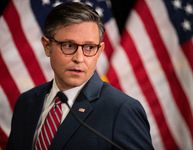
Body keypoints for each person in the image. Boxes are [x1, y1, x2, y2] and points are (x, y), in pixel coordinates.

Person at [6, 2, 154, 150]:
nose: (79, 58)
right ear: (47, 46)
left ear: (100, 51)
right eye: (69, 46)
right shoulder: (26, 103)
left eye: (89, 48)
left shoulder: (122, 110)